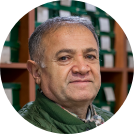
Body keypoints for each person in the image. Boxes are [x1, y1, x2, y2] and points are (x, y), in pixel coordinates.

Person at [18, 16, 114, 133]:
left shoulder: (108, 117)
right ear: (36, 72)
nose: (82, 68)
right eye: (64, 58)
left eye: (90, 56)